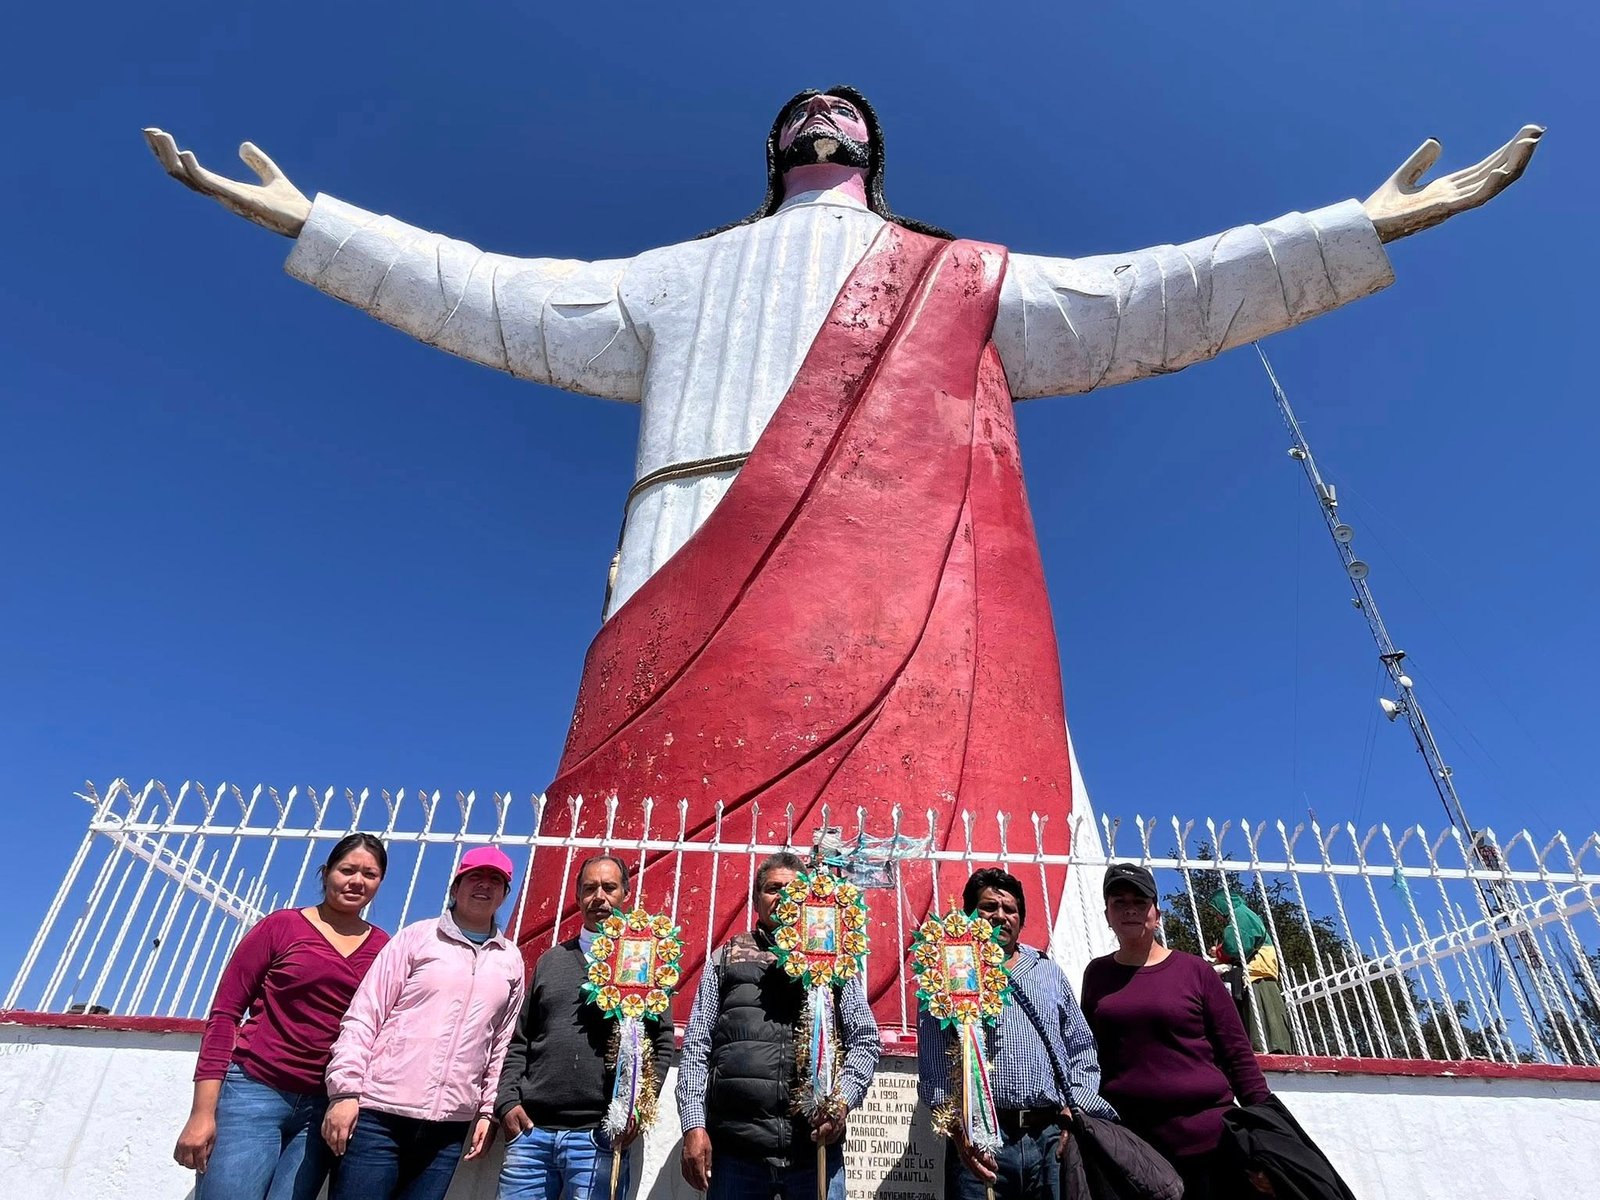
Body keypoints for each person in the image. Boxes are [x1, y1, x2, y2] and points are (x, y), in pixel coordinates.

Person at [145, 95, 1540, 1013]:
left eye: (850, 110)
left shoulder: (959, 275)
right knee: (642, 849)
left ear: (872, 151)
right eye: (807, 111)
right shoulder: (673, 276)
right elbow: (499, 293)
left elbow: (1145, 294)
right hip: (686, 558)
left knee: (963, 854)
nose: (827, 112)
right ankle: (629, 1031)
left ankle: (960, 1025)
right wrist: (314, 222)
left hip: (913, 571)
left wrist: (1347, 229)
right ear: (779, 150)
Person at [175, 833, 389, 1200]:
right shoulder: (280, 927)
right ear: (326, 873)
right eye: (347, 869)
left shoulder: (385, 948)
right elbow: (225, 1014)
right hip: (254, 1092)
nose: (357, 881)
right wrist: (202, 1112)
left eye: (369, 874)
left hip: (323, 1108)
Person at [322, 846, 526, 1200]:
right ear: (455, 887)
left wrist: (487, 1112)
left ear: (506, 894)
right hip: (378, 1118)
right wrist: (345, 1091)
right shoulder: (416, 937)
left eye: (496, 880)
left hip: (448, 1130)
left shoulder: (511, 960)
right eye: (475, 876)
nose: (484, 885)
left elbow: (501, 1045)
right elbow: (366, 1013)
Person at [676, 851, 881, 1200]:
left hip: (813, 1150)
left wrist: (841, 1103)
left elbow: (865, 1040)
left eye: (792, 889)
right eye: (772, 889)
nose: (782, 897)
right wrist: (694, 1125)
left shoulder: (835, 958)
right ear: (757, 900)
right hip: (738, 1155)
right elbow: (697, 1046)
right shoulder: (726, 958)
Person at [917, 868, 1117, 1200]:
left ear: (1021, 920)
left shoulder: (1047, 972)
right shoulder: (944, 972)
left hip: (1050, 1139)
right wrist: (960, 1133)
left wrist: (1073, 1111)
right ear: (970, 915)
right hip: (983, 1143)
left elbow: (1081, 1048)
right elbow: (935, 1062)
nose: (1000, 916)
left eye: (1010, 910)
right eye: (988, 908)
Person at [1080, 865, 1272, 1200]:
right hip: (1134, 1151)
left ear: (1157, 912)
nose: (1130, 909)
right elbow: (1087, 1054)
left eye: (1140, 901)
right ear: (1107, 914)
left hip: (1210, 1145)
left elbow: (1238, 1054)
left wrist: (1267, 1133)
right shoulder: (1096, 975)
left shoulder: (1195, 971)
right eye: (1119, 901)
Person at [494, 854, 674, 1200]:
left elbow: (662, 1041)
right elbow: (521, 1039)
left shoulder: (646, 963)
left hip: (601, 1138)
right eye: (589, 888)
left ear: (626, 894)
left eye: (609, 887)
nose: (599, 897)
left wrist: (639, 1106)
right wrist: (507, 1101)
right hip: (531, 1135)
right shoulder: (551, 961)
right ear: (577, 897)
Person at [1208, 889, 1294, 1056]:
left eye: (1217, 911)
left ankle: (1269, 1048)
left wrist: (1219, 952)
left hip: (1258, 973)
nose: (1217, 917)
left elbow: (1236, 946)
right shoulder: (1243, 914)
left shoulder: (1240, 915)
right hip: (1258, 972)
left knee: (1263, 1012)